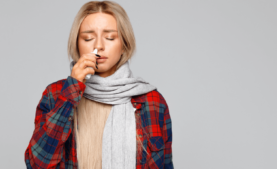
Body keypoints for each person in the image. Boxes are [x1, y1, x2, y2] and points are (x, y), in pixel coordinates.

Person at [24, 1, 174, 169]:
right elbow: (37, 164)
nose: (98, 46)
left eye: (110, 37)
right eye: (88, 38)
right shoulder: (55, 94)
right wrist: (71, 92)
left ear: (124, 45)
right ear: (77, 44)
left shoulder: (153, 102)